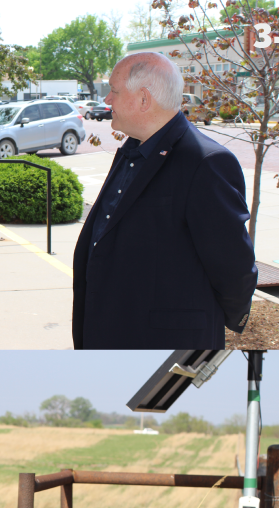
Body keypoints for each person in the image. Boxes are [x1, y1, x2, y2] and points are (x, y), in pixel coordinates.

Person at [72, 52, 258, 350]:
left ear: (144, 99)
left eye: (115, 91)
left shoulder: (205, 163)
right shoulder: (132, 151)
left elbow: (233, 267)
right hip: (109, 333)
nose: (107, 100)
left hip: (167, 346)